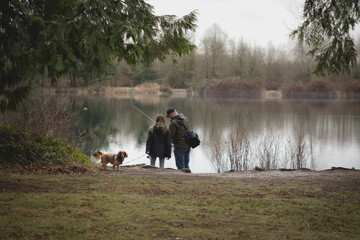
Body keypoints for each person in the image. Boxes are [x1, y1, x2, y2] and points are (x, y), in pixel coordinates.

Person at [167, 107, 191, 173]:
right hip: (188, 145)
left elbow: (171, 136)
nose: (169, 118)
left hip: (179, 146)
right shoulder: (186, 119)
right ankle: (189, 178)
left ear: (171, 114)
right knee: (186, 165)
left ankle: (182, 180)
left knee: (180, 166)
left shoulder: (173, 123)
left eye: (169, 116)